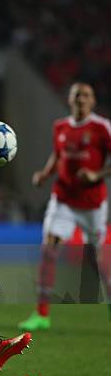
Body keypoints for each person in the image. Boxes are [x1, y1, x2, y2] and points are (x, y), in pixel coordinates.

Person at [19, 82, 111, 331]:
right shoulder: (60, 126)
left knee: (100, 260)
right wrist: (45, 173)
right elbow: (58, 155)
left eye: (86, 95)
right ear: (70, 100)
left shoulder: (102, 128)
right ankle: (42, 314)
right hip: (63, 201)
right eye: (77, 95)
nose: (81, 99)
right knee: (49, 249)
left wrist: (97, 174)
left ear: (92, 101)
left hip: (92, 205)